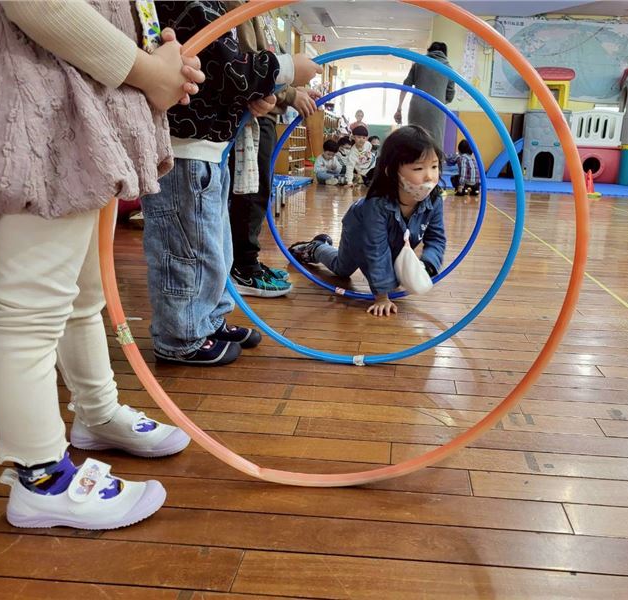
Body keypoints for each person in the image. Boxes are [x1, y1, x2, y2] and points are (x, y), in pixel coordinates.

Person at [0, 0, 205, 529]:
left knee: (83, 295)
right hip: (45, 112)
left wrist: (161, 62)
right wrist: (150, 71)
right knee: (30, 310)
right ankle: (40, 478)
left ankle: (97, 414)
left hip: (88, 114)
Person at [144, 1, 321, 365]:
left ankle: (207, 320)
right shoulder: (194, 4)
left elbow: (225, 77)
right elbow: (224, 67)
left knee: (214, 248)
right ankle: (181, 337)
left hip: (208, 148)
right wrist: (287, 68)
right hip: (183, 149)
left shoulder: (220, 7)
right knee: (187, 251)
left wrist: (254, 98)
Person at [288, 126, 446, 317]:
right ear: (392, 171)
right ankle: (315, 248)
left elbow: (436, 238)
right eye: (418, 168)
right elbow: (376, 249)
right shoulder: (376, 205)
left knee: (393, 273)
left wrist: (427, 266)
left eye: (434, 166)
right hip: (359, 230)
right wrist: (381, 296)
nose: (430, 176)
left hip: (395, 237)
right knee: (342, 269)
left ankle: (322, 247)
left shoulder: (434, 200)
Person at [228, 0, 319, 298]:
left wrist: (293, 90)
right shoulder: (239, 6)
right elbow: (248, 63)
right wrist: (289, 93)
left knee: (257, 191)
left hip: (263, 113)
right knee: (249, 194)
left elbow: (265, 60)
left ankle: (245, 262)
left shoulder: (262, 10)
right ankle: (242, 266)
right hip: (250, 115)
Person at [394, 42, 455, 146]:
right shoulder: (448, 68)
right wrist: (439, 98)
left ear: (429, 50)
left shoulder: (419, 63)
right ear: (445, 53)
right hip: (437, 108)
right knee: (434, 142)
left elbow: (405, 86)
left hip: (417, 106)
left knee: (414, 138)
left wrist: (399, 108)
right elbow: (450, 95)